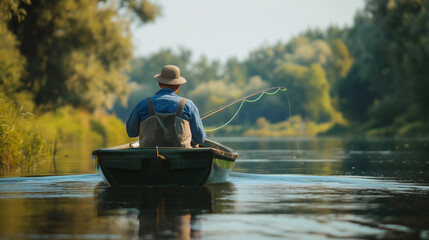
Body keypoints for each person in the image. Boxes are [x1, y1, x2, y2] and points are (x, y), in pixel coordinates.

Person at [126, 65, 206, 148]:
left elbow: (131, 132)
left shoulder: (142, 104)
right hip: (182, 158)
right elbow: (200, 139)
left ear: (159, 83)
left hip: (148, 159)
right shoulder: (188, 105)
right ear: (178, 85)